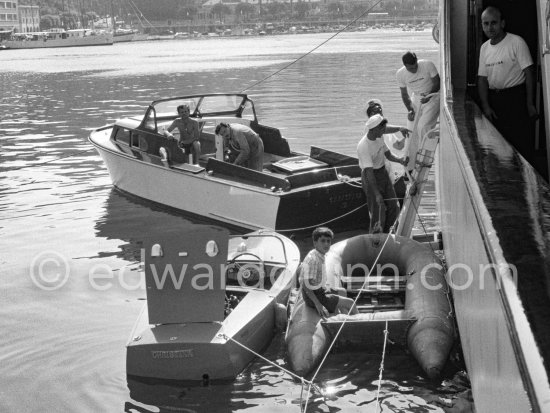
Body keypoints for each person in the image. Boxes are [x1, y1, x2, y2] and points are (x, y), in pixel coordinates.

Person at [477, 6, 537, 162]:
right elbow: (482, 79)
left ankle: (527, 182)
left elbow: (529, 73)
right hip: (495, 100)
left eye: (493, 23)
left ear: (502, 23)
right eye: (486, 23)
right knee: (499, 147)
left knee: (520, 145)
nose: (490, 27)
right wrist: (486, 106)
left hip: (516, 98)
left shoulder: (516, 42)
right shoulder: (484, 48)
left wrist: (530, 103)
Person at [357, 114, 409, 233]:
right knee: (378, 211)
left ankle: (388, 234)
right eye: (382, 129)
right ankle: (375, 240)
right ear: (374, 129)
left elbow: (388, 154)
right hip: (370, 177)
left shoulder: (379, 137)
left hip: (383, 173)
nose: (384, 131)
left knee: (394, 206)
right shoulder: (363, 146)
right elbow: (369, 173)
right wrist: (376, 194)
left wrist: (400, 160)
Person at [300, 227, 358, 319]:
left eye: (328, 241)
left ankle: (345, 319)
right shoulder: (313, 260)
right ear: (315, 243)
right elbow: (305, 285)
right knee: (351, 303)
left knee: (342, 291)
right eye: (323, 241)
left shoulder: (317, 254)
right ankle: (356, 324)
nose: (326, 244)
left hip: (319, 289)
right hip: (316, 296)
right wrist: (318, 304)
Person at [396, 51, 440, 172]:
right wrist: (410, 109)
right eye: (411, 68)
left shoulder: (427, 65)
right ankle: (410, 167)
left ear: (417, 61)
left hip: (433, 95)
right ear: (405, 66)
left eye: (415, 66)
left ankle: (424, 161)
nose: (414, 69)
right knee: (411, 131)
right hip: (416, 99)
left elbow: (437, 82)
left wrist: (429, 96)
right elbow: (404, 95)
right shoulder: (400, 74)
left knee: (423, 126)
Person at [365, 99, 410, 208]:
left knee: (400, 199)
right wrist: (399, 128)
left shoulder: (386, 131)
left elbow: (398, 146)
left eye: (380, 110)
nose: (380, 112)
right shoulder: (370, 130)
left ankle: (399, 220)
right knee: (390, 202)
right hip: (380, 170)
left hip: (392, 169)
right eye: (376, 111)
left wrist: (407, 137)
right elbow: (385, 130)